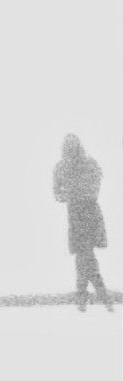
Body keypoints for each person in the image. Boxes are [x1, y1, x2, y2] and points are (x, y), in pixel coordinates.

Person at [53, 133, 111, 311]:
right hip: (76, 215)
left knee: (84, 253)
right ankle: (98, 292)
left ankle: (86, 294)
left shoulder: (89, 163)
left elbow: (94, 190)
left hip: (89, 213)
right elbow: (57, 193)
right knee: (84, 253)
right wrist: (70, 195)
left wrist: (74, 194)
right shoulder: (61, 167)